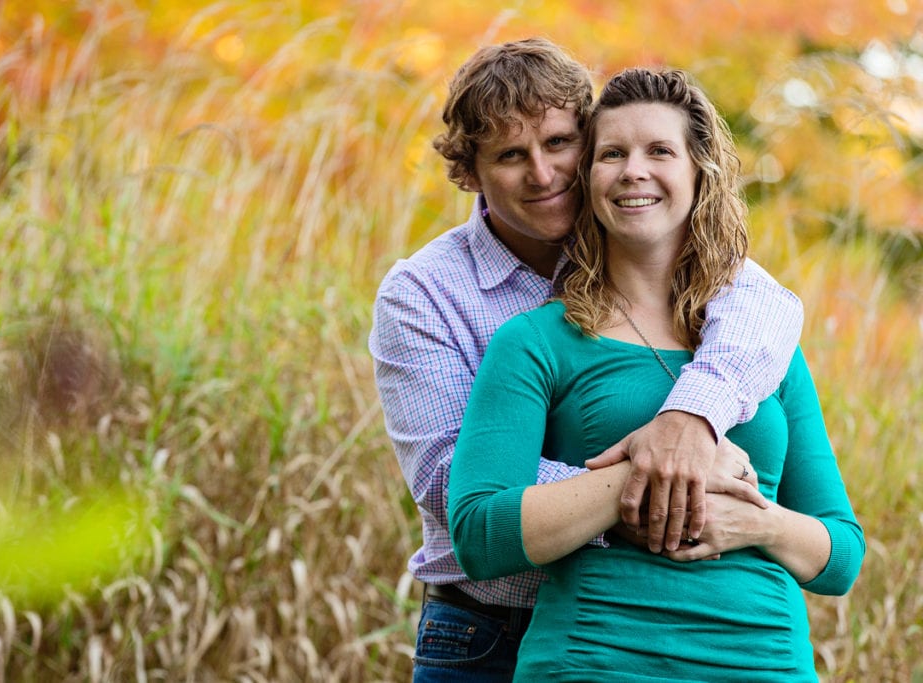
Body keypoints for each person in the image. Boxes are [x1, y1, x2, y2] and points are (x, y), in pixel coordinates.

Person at [369, 39, 804, 680]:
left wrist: (691, 419)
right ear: (470, 171)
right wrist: (666, 480)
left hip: (630, 628)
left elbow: (768, 307)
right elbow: (449, 485)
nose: (542, 175)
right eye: (511, 155)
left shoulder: (638, 235)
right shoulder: (425, 293)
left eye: (559, 144)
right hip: (487, 631)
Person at [447, 66, 865, 681]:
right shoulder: (537, 341)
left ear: (700, 171)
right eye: (611, 153)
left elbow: (841, 556)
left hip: (766, 663)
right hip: (596, 658)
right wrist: (649, 473)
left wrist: (758, 521)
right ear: (588, 180)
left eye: (660, 151)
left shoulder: (764, 341)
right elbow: (480, 535)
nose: (633, 170)